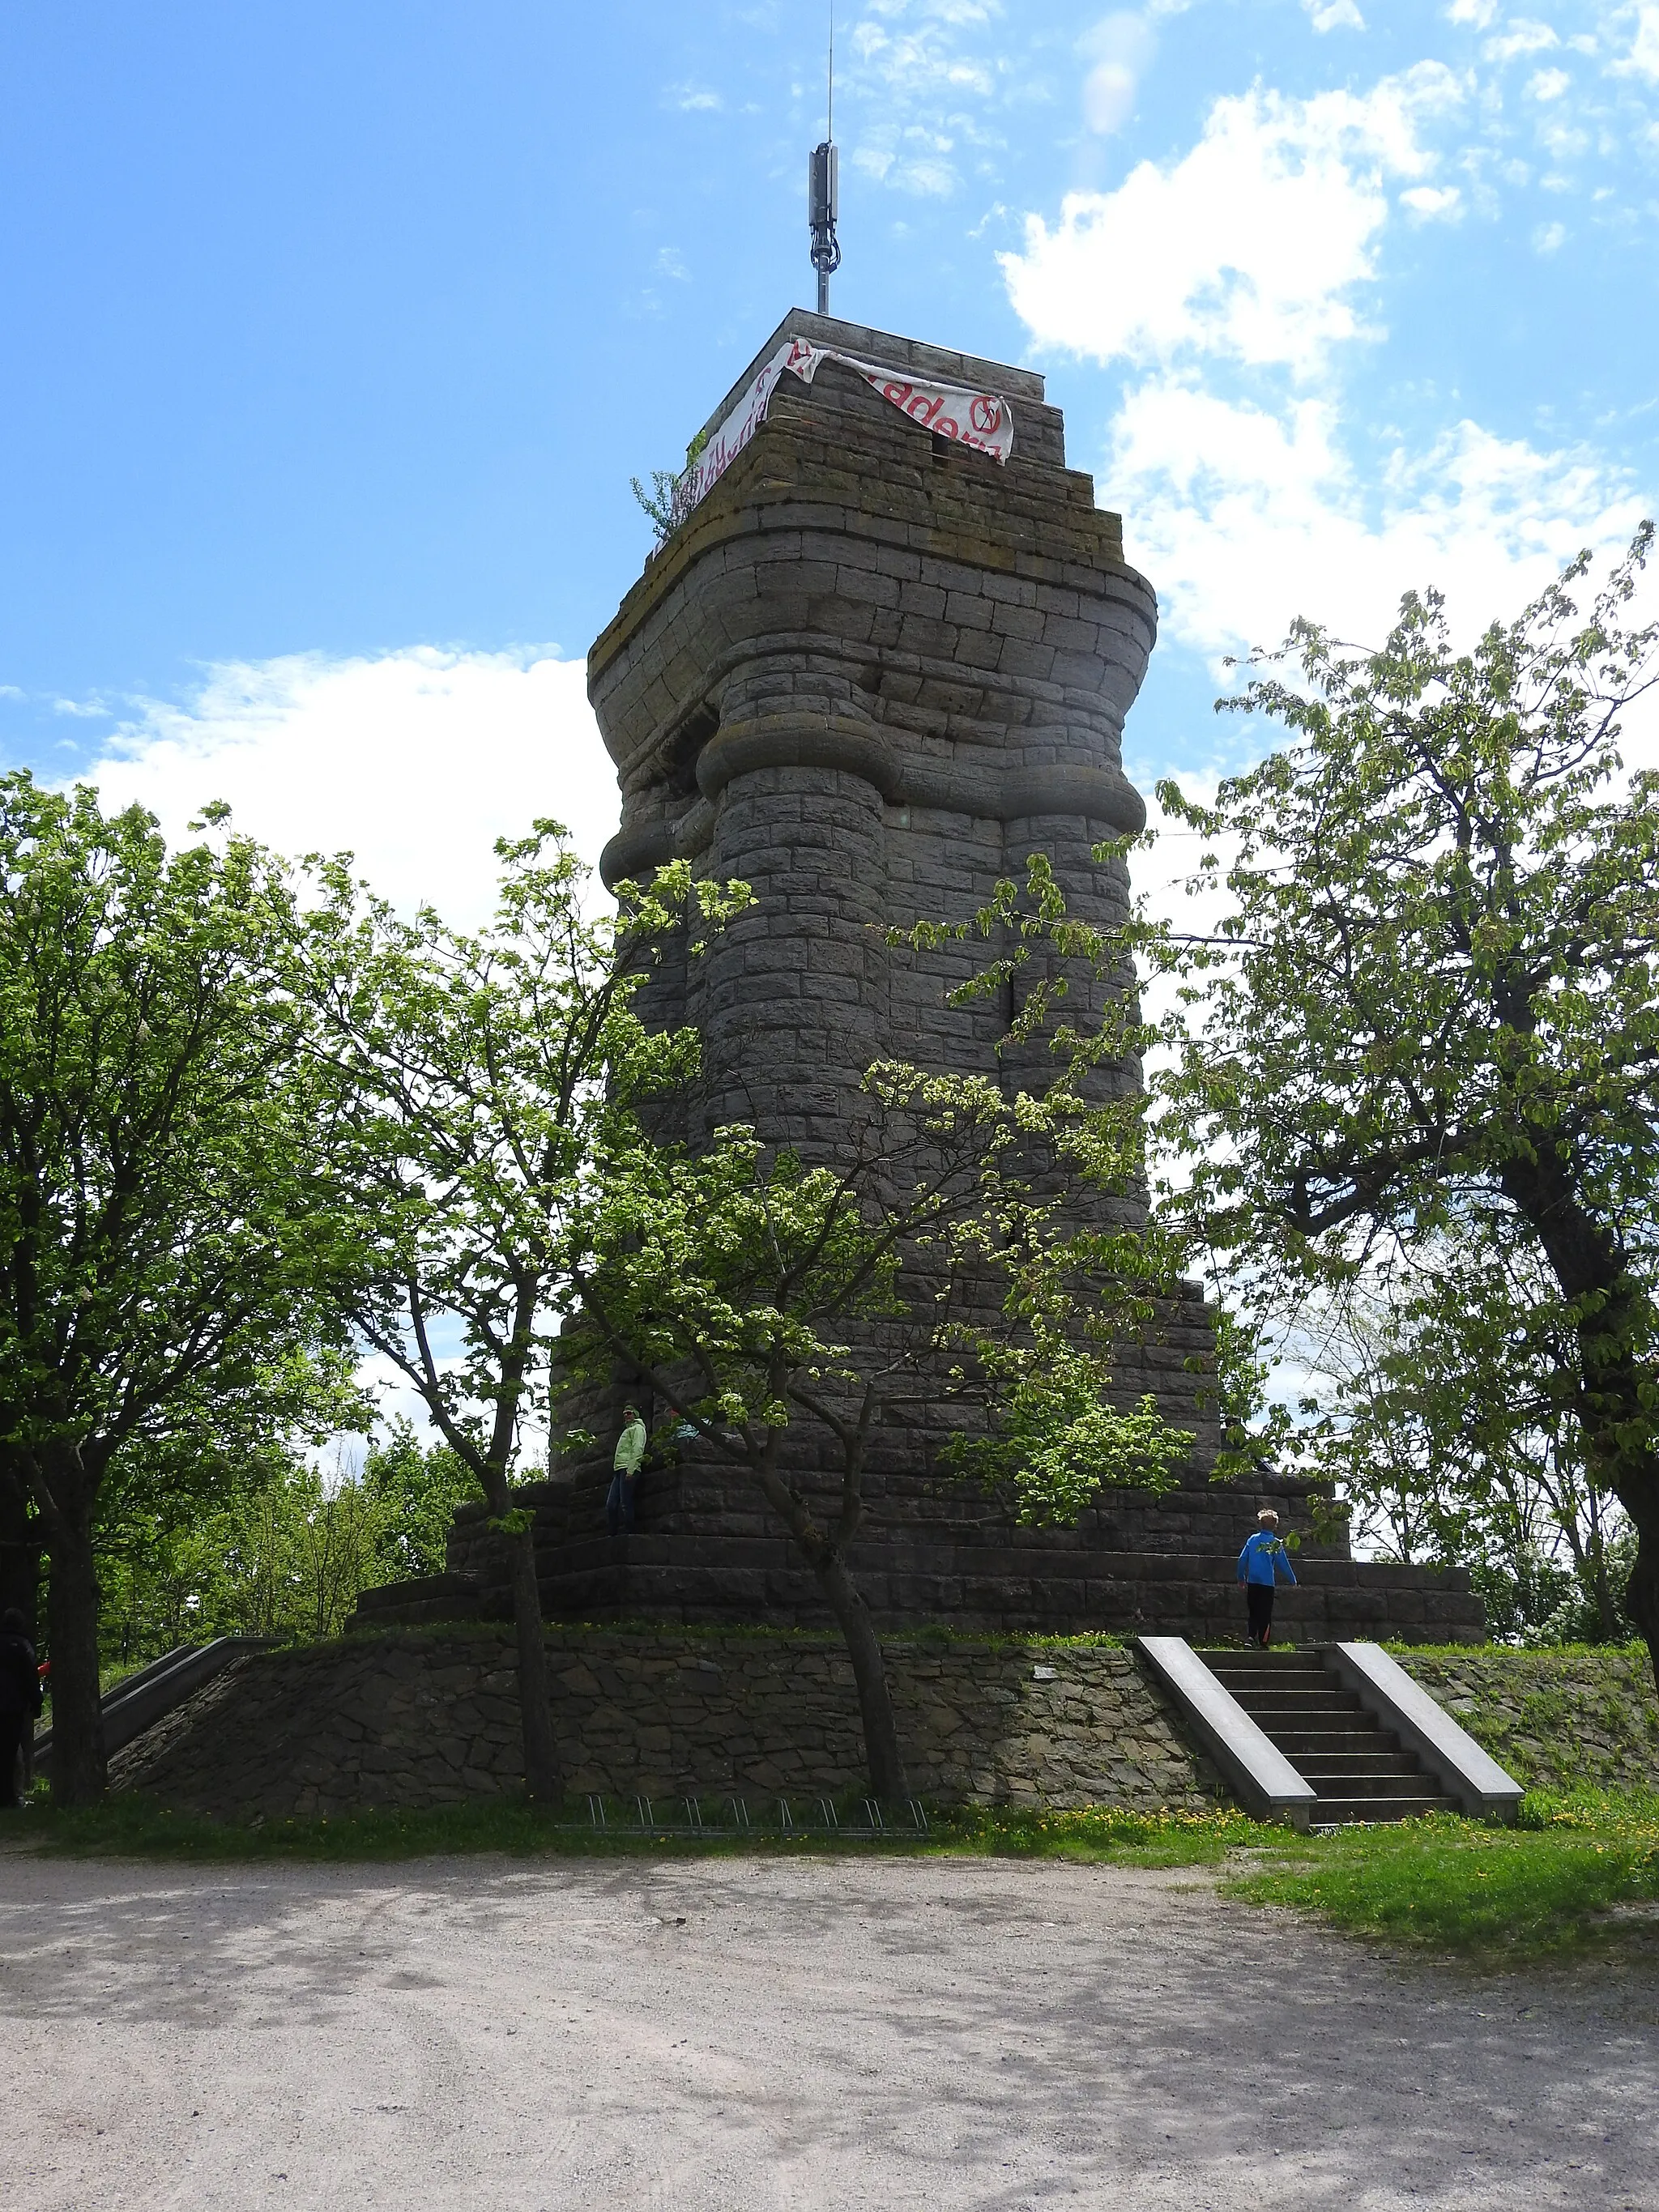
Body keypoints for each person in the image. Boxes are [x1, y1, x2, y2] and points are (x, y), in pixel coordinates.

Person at [0, 1607, 42, 1811]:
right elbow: (31, 1677)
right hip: (13, 1706)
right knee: (11, 1752)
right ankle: (12, 1797)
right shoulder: (23, 1646)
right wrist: (37, 1702)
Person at [1237, 1508, 1297, 1647]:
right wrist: (1292, 1579)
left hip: (1253, 1581)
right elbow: (1283, 1563)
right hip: (1267, 1584)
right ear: (1275, 1526)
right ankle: (1264, 1642)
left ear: (1260, 1524)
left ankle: (1251, 1637)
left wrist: (1241, 1577)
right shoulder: (1275, 1543)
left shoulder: (1252, 1540)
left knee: (1253, 1611)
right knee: (1265, 1613)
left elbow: (1242, 1559)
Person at [606, 1404, 647, 1539]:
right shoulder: (627, 1430)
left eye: (629, 1413)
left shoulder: (638, 1429)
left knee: (625, 1502)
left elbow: (637, 1449)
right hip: (619, 1469)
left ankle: (629, 1533)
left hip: (628, 1469)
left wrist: (631, 1469)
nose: (626, 1416)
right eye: (624, 1414)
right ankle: (612, 1534)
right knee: (611, 1504)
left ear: (635, 1414)